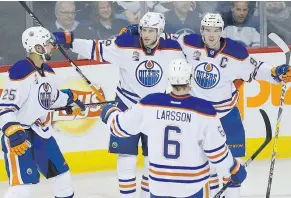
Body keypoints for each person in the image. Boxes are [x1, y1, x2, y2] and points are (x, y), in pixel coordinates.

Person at [121, 12, 291, 198]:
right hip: (198, 118)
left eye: (216, 30)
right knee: (205, 170)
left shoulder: (236, 52)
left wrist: (275, 73)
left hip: (227, 117)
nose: (211, 34)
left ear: (222, 31)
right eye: (207, 30)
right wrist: (136, 34)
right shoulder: (188, 43)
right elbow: (162, 37)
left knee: (232, 171)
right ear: (201, 30)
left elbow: (257, 68)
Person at [53, 12, 186, 198]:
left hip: (156, 111)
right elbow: (95, 48)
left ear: (160, 32)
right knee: (126, 158)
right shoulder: (125, 44)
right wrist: (69, 40)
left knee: (152, 159)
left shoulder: (173, 48)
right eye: (144, 29)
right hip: (127, 106)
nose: (146, 34)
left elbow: (198, 48)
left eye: (151, 31)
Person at [100, 59, 247, 198]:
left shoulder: (150, 103)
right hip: (193, 186)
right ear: (190, 79)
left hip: (159, 185)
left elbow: (118, 127)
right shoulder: (204, 110)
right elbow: (217, 153)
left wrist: (109, 111)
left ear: (169, 78)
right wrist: (234, 168)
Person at [0, 26, 86, 198]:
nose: (51, 46)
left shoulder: (48, 71)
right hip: (20, 135)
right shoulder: (22, 71)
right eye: (47, 44)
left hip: (42, 133)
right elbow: (5, 107)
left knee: (63, 178)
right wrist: (11, 130)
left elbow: (51, 98)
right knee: (23, 187)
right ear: (37, 48)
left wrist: (70, 99)